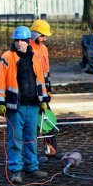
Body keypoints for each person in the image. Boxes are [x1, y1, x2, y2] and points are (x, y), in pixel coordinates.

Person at [0, 26, 50, 183]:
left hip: (32, 104)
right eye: (16, 40)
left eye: (22, 41)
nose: (19, 43)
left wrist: (43, 100)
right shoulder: (8, 57)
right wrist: (0, 101)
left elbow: (40, 80)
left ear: (27, 42)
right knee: (15, 139)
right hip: (14, 106)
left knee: (31, 137)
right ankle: (16, 170)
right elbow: (0, 81)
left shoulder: (34, 57)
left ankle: (32, 167)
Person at [29, 19, 57, 157]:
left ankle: (51, 152)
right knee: (33, 127)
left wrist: (48, 90)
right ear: (34, 34)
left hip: (43, 93)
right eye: (42, 35)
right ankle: (32, 157)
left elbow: (46, 72)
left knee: (48, 122)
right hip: (32, 94)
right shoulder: (28, 49)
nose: (44, 38)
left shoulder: (43, 49)